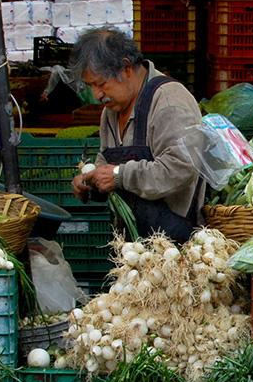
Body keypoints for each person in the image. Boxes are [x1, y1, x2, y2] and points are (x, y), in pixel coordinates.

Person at [69, 27, 204, 243]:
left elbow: (180, 168)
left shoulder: (168, 101)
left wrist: (119, 176)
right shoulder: (111, 111)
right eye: (91, 85)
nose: (97, 95)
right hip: (132, 249)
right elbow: (107, 159)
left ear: (126, 68)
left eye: (101, 84)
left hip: (175, 245)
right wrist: (92, 181)